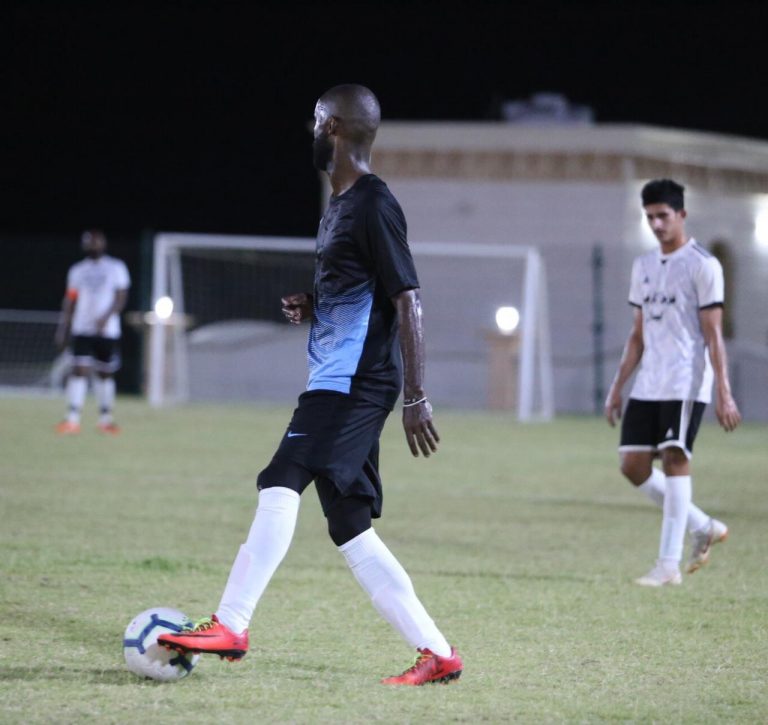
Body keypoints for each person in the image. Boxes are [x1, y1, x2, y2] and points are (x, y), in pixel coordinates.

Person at [159, 84, 463, 685]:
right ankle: (437, 653)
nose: (313, 128)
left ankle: (232, 622)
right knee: (350, 527)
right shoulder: (338, 205)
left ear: (333, 127)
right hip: (335, 377)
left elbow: (408, 300)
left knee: (282, 476)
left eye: (317, 119)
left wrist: (417, 395)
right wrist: (315, 303)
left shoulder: (374, 203)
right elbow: (359, 289)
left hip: (355, 382)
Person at [605, 179, 741, 587]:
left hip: (686, 377)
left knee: (674, 455)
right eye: (650, 217)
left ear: (681, 214)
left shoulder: (703, 265)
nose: (657, 224)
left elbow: (713, 334)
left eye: (663, 215)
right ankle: (703, 525)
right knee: (632, 466)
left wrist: (724, 392)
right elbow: (637, 334)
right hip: (650, 380)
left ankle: (668, 565)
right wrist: (617, 387)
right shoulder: (644, 266)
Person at [54, 230, 130, 434]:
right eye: (89, 243)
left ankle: (106, 419)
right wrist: (63, 327)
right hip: (82, 328)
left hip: (107, 331)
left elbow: (121, 297)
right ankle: (72, 419)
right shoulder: (78, 270)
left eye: (96, 242)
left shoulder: (115, 267)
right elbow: (71, 299)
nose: (93, 246)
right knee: (78, 370)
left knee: (105, 373)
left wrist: (106, 317)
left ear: (103, 243)